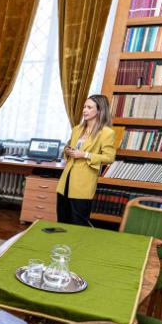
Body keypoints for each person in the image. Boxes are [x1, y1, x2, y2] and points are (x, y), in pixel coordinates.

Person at [57, 94, 116, 226]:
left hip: (83, 184)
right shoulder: (77, 129)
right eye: (84, 107)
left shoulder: (106, 133)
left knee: (78, 223)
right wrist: (67, 150)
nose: (84, 110)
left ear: (100, 110)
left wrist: (85, 154)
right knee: (62, 220)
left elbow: (109, 157)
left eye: (89, 107)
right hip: (66, 181)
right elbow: (69, 147)